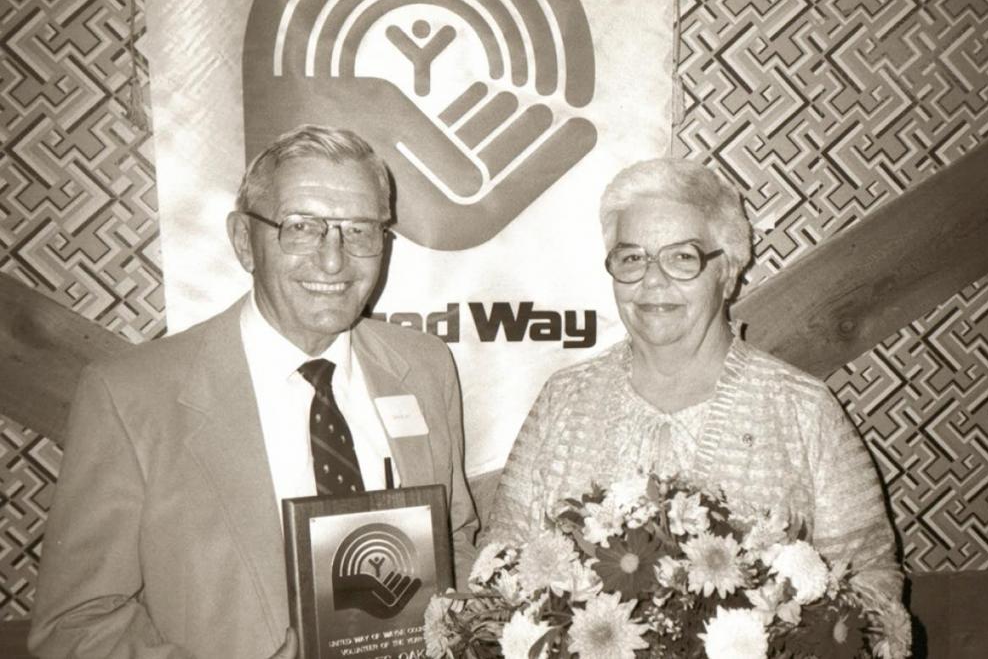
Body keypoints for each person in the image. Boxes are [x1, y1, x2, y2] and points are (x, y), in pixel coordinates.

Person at [29, 125, 478, 659]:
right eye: (301, 227)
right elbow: (73, 626)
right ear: (245, 241)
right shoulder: (131, 396)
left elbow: (456, 543)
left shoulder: (425, 368)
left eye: (359, 230)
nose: (334, 261)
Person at [483, 158, 906, 613]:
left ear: (727, 273)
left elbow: (871, 586)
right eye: (631, 258)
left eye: (682, 257)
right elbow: (497, 566)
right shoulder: (563, 400)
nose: (652, 280)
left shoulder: (803, 409)